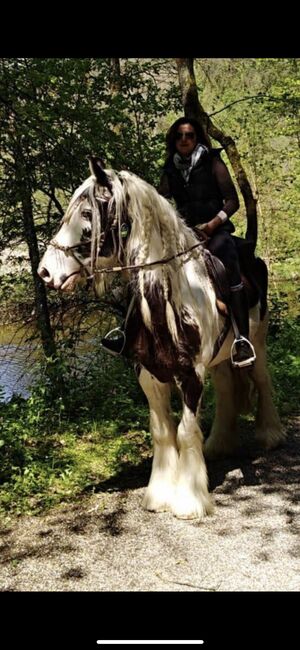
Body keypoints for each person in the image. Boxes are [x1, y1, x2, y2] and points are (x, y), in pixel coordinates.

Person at [101, 116, 255, 367]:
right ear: (174, 139)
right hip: (183, 233)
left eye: (190, 135)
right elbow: (159, 199)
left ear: (197, 138)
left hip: (214, 231)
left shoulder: (213, 162)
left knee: (227, 264)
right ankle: (126, 332)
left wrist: (212, 225)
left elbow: (232, 201)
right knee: (148, 269)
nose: (185, 139)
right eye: (180, 135)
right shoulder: (170, 170)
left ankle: (241, 339)